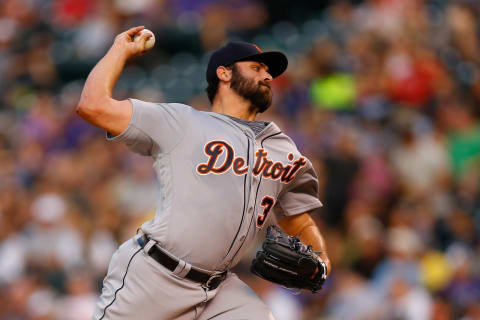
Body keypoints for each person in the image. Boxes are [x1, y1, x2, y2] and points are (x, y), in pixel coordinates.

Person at [77, 26, 331, 320]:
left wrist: (322, 258)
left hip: (219, 289)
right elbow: (92, 106)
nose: (267, 76)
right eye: (256, 67)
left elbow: (297, 218)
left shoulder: (284, 150)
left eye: (269, 71)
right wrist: (120, 49)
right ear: (224, 74)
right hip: (155, 276)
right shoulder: (181, 121)